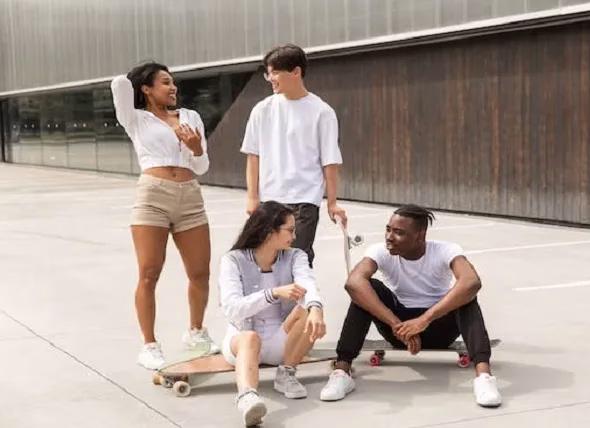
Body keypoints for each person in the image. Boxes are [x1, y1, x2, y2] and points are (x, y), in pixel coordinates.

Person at [319, 204, 503, 407]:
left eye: (399, 232)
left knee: (466, 295)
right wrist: (397, 324)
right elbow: (353, 283)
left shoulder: (445, 250)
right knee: (364, 289)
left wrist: (423, 320)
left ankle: (484, 378)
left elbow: (471, 282)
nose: (389, 237)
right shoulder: (380, 251)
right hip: (398, 331)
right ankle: (342, 372)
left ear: (420, 236)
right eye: (388, 229)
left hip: (439, 328)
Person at [111, 61, 219, 370]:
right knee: (149, 273)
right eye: (165, 82)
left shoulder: (191, 117)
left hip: (190, 196)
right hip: (153, 196)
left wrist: (196, 148)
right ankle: (149, 345)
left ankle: (196, 332)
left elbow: (202, 167)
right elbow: (119, 84)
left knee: (200, 272)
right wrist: (139, 75)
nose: (173, 87)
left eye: (173, 82)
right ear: (146, 88)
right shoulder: (135, 118)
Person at [219, 201, 327, 426]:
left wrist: (316, 308)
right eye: (290, 230)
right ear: (269, 231)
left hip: (283, 342)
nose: (294, 236)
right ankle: (247, 397)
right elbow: (232, 308)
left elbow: (307, 282)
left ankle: (286, 372)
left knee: (309, 308)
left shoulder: (296, 256)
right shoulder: (233, 260)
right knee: (250, 337)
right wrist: (273, 293)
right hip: (244, 343)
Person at [240, 43, 346, 268]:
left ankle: (300, 292)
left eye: (275, 72)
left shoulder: (322, 112)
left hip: (304, 201)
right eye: (268, 74)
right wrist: (252, 197)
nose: (270, 78)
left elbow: (329, 161)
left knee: (297, 259)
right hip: (269, 199)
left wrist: (332, 203)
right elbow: (253, 155)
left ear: (296, 71)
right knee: (267, 260)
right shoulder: (262, 110)